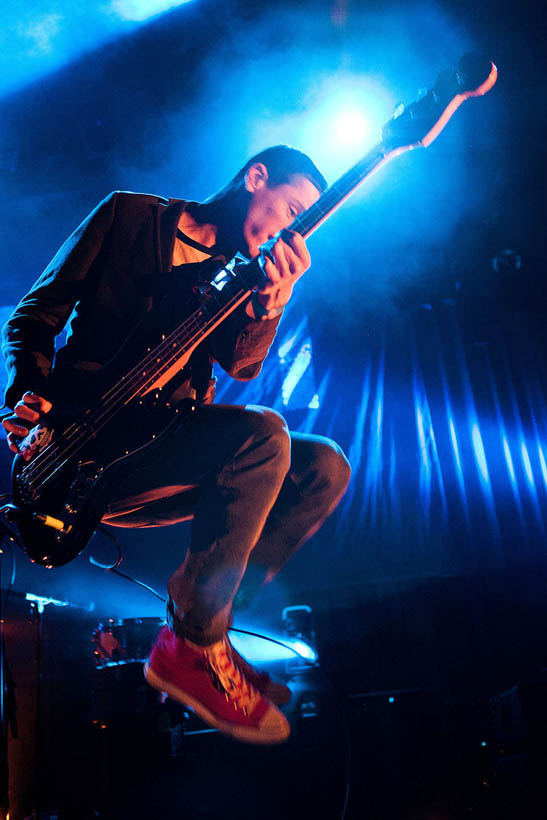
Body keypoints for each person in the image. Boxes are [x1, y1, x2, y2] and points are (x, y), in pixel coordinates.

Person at [1, 145, 351, 745]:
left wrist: (271, 306)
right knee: (264, 434)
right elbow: (36, 313)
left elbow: (241, 366)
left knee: (324, 467)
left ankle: (196, 635)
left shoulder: (244, 272)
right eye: (289, 208)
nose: (289, 228)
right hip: (72, 451)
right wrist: (24, 396)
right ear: (255, 177)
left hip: (162, 449)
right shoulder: (129, 216)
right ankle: (198, 641)